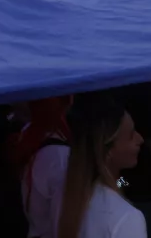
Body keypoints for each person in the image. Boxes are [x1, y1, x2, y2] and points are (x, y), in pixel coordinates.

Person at [58, 94, 145, 238]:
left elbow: (122, 182)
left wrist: (121, 184)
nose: (140, 139)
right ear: (108, 151)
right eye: (131, 135)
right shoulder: (127, 217)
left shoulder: (71, 199)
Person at [14, 97, 72, 238]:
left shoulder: (30, 137)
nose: (137, 139)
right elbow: (65, 221)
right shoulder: (59, 156)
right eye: (131, 136)